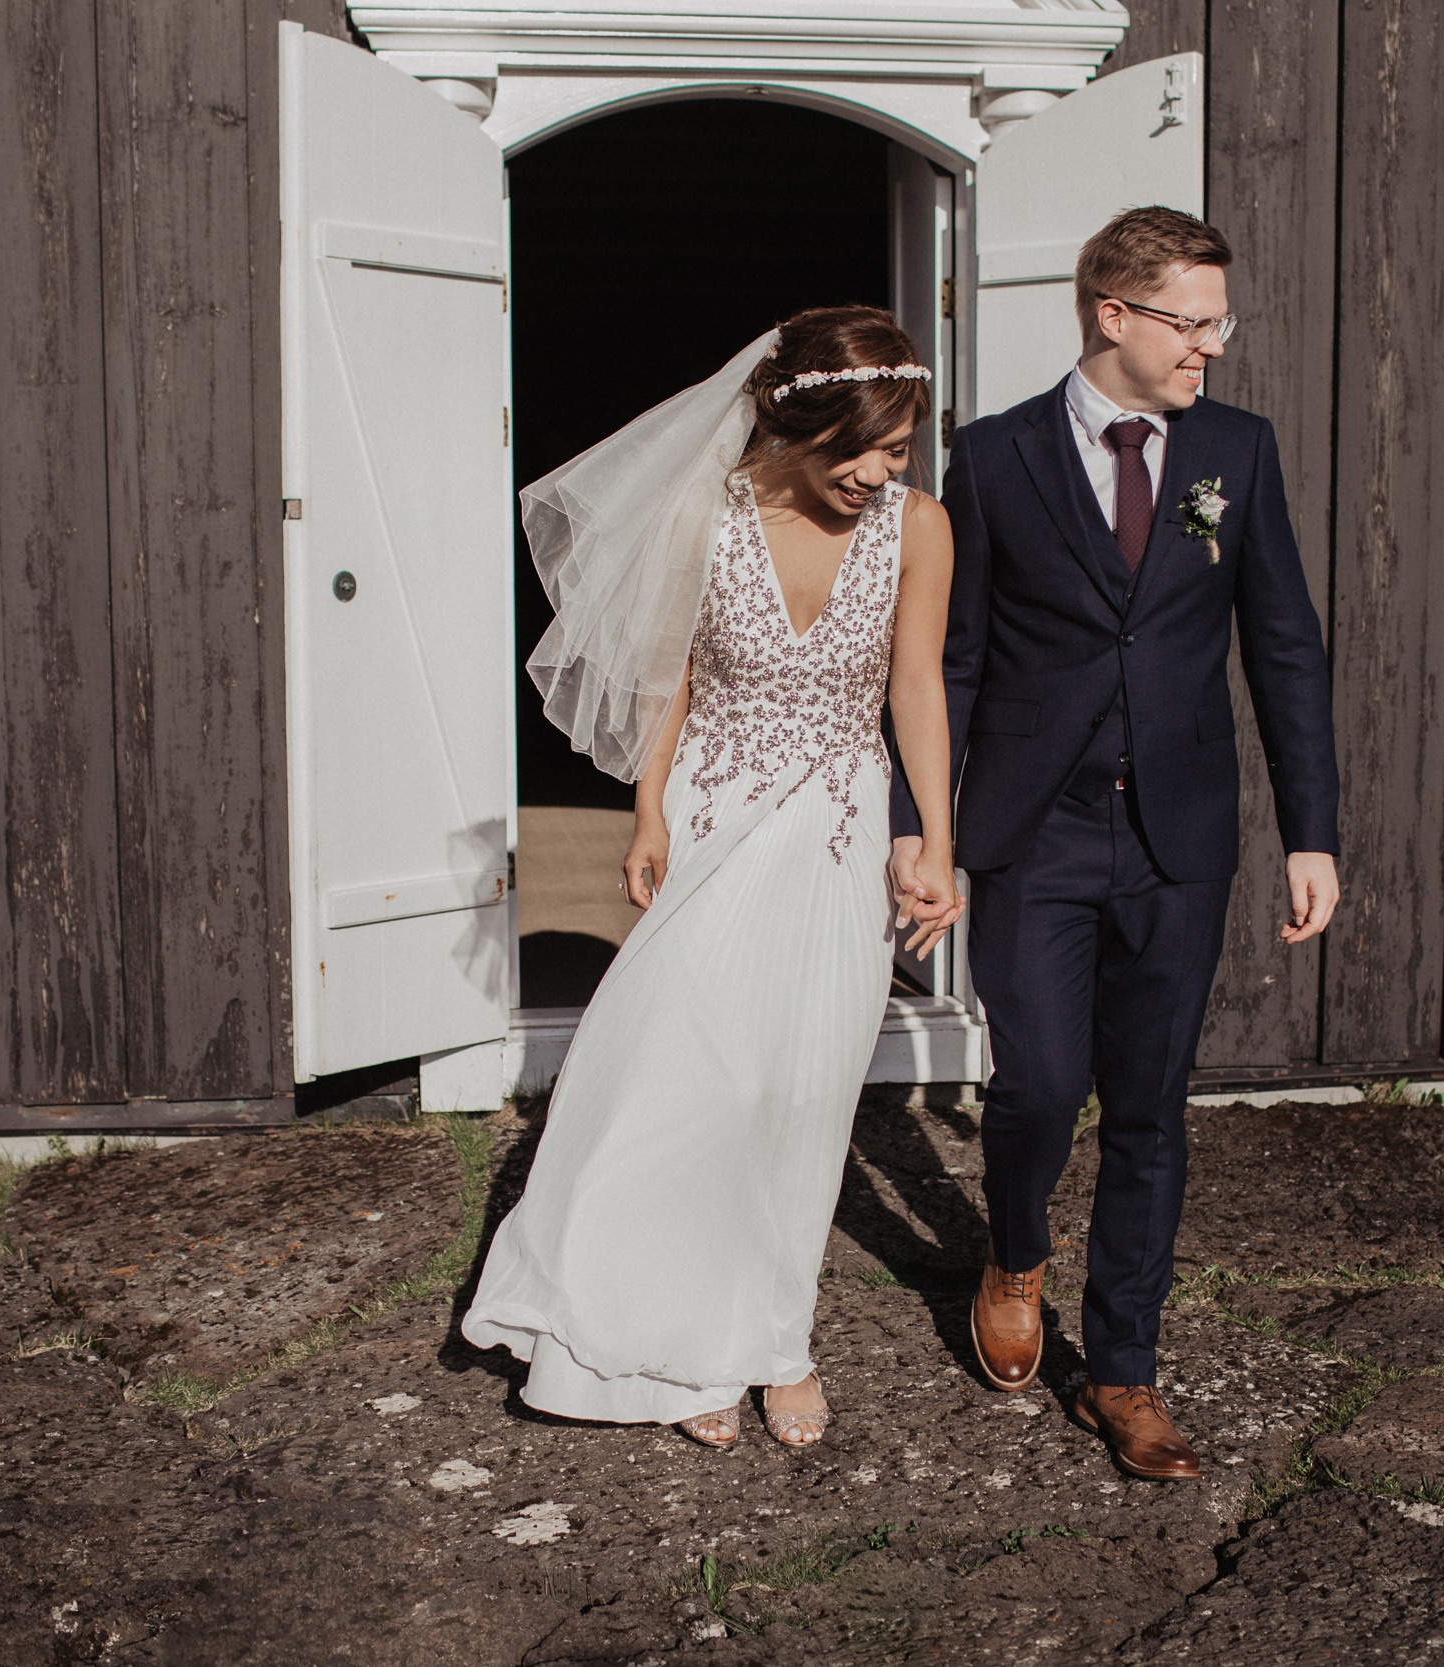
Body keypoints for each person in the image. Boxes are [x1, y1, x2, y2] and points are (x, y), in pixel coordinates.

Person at [887, 207, 1342, 1480]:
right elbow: (953, 659)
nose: (1211, 346)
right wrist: (923, 825)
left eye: (1218, 323)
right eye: (1191, 323)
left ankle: (1125, 1370)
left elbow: (1284, 646)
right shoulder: (992, 457)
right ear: (1113, 315)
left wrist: (1311, 829)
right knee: (1037, 1084)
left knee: (1148, 1102)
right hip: (1032, 829)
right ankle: (1014, 1251)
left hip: (1179, 835)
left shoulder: (1237, 452)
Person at [462, 307, 964, 1449]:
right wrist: (648, 810)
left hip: (837, 831)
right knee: (697, 1083)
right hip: (712, 816)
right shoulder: (707, 513)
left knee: (804, 1090)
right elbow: (668, 676)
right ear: (796, 423)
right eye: (859, 448)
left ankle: (779, 1341)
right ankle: (680, 1336)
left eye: (897, 449)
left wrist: (935, 837)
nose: (879, 473)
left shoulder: (919, 526)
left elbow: (917, 686)